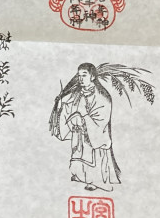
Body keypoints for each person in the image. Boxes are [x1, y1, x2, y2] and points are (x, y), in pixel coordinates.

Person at [49, 63, 120, 191]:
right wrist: (61, 103)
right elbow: (69, 105)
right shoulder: (78, 93)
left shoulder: (102, 95)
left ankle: (96, 181)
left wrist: (84, 117)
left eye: (84, 75)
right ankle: (80, 175)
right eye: (79, 75)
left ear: (92, 76)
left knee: (94, 156)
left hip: (93, 133)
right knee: (79, 153)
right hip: (79, 132)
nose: (81, 79)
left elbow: (101, 118)